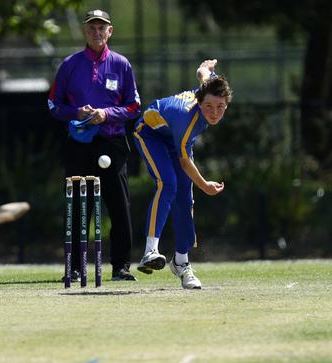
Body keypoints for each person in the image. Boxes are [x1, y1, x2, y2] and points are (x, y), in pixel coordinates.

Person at [48, 9, 141, 281]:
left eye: (102, 28)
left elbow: (134, 106)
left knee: (119, 205)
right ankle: (75, 267)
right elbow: (53, 104)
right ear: (85, 32)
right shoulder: (70, 65)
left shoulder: (121, 64)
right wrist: (77, 112)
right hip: (80, 141)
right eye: (92, 28)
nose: (97, 32)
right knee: (79, 205)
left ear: (110, 31)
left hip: (112, 141)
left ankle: (121, 266)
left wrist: (107, 114)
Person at [133, 59, 232, 289]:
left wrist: (206, 67)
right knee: (167, 184)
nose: (214, 113)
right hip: (150, 134)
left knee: (185, 200)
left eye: (220, 107)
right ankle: (150, 251)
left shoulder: (208, 89)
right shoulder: (187, 120)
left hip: (173, 139)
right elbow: (185, 161)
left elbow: (202, 73)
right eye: (209, 107)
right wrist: (205, 184)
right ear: (199, 102)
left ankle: (181, 262)